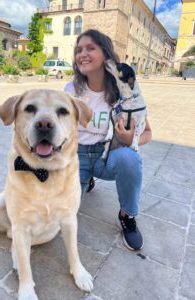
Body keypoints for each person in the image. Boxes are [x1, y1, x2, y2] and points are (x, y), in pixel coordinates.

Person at [64, 29, 152, 251]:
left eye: (90, 48)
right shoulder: (71, 90)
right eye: (79, 50)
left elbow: (148, 132)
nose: (82, 54)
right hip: (77, 156)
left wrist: (130, 138)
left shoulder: (124, 93)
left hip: (107, 157)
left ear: (106, 55)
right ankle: (86, 179)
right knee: (63, 215)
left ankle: (127, 216)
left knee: (129, 158)